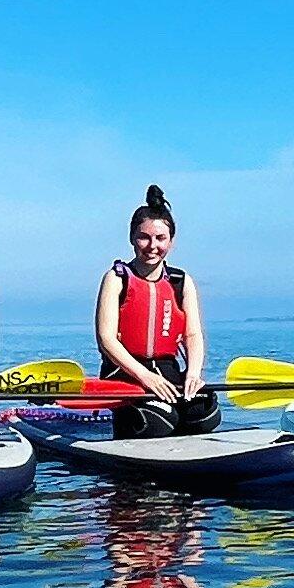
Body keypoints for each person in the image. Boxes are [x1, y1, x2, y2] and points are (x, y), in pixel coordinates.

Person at [93, 184, 221, 437]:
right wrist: (145, 377)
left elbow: (192, 335)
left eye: (160, 238)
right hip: (126, 374)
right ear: (132, 238)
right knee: (159, 420)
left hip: (167, 372)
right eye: (144, 237)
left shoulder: (181, 281)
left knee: (205, 413)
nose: (152, 246)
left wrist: (193, 375)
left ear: (171, 242)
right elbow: (106, 339)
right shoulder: (116, 279)